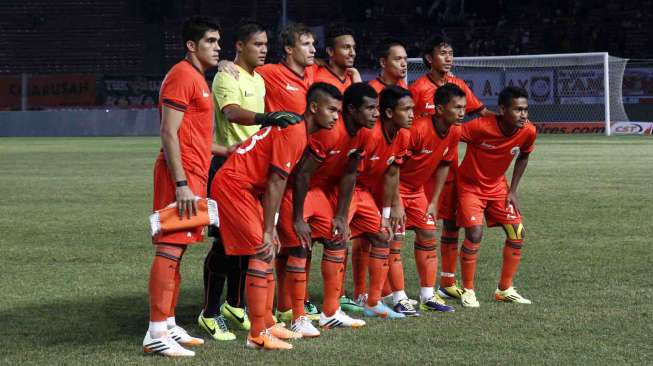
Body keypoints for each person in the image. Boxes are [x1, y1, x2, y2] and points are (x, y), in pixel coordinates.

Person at [211, 83, 342, 350]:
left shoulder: (298, 132)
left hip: (244, 187)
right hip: (235, 185)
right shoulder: (295, 133)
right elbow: (275, 182)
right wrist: (269, 229)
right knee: (262, 248)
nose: (336, 116)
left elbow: (275, 182)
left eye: (338, 111)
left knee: (268, 251)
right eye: (331, 110)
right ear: (314, 108)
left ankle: (268, 324)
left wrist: (271, 227)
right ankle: (257, 335)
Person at [198, 21, 301, 341]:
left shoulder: (260, 77)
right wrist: (265, 118)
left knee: (249, 244)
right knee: (224, 245)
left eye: (265, 44)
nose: (263, 49)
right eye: (257, 44)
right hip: (226, 166)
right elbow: (230, 113)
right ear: (240, 46)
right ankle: (210, 312)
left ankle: (236, 304)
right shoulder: (226, 76)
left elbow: (297, 68)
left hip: (253, 169)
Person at [143, 16, 220, 358]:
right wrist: (181, 183)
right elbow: (168, 132)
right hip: (181, 177)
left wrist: (225, 151)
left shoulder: (198, 78)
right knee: (169, 247)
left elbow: (195, 134)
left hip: (193, 175)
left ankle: (169, 322)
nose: (218, 47)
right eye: (211, 41)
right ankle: (155, 331)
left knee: (180, 250)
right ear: (192, 45)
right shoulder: (182, 76)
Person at [275, 83, 379, 334]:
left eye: (376, 108)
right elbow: (301, 175)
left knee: (337, 239)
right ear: (351, 110)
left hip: (319, 192)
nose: (375, 113)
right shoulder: (330, 131)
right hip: (294, 191)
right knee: (299, 247)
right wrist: (298, 217)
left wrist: (342, 215)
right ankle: (297, 317)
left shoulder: (365, 133)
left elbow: (350, 174)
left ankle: (331, 312)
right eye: (370, 108)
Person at [409, 35, 494, 301]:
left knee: (452, 223)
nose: (448, 57)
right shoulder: (418, 88)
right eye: (443, 53)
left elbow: (480, 112)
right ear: (429, 58)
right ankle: (413, 288)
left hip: (448, 164)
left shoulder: (458, 85)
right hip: (422, 169)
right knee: (423, 226)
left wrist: (507, 118)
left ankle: (447, 281)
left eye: (451, 53)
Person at [383, 83, 467, 315]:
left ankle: (427, 296)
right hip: (394, 190)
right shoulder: (416, 131)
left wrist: (433, 201)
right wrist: (396, 202)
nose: (462, 112)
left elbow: (443, 165)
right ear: (439, 109)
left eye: (464, 107)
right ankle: (399, 298)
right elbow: (393, 168)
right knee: (394, 242)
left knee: (429, 234)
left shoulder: (455, 131)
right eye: (456, 107)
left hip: (418, 191)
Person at [456, 86, 536, 308]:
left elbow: (524, 156)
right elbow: (450, 135)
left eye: (526, 109)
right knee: (474, 233)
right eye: (518, 110)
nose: (523, 115)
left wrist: (513, 190)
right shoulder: (480, 126)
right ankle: (468, 290)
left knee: (517, 232)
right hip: (470, 186)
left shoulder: (529, 131)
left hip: (498, 188)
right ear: (502, 109)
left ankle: (504, 289)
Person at [354, 86, 413, 319]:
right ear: (389, 113)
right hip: (345, 190)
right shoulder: (370, 134)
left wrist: (388, 212)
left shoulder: (403, 135)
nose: (411, 115)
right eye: (406, 109)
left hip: (367, 192)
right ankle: (319, 306)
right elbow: (347, 174)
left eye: (413, 109)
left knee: (382, 235)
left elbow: (391, 173)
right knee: (332, 240)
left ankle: (373, 301)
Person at [257, 23, 317, 115]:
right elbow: (242, 69)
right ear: (289, 49)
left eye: (312, 44)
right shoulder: (270, 72)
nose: (313, 49)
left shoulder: (313, 69)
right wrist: (226, 63)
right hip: (280, 128)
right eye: (306, 44)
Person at [314, 25, 362, 94]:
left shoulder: (354, 77)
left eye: (354, 48)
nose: (353, 53)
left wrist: (358, 85)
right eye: (346, 47)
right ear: (330, 51)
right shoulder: (317, 78)